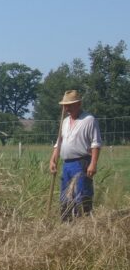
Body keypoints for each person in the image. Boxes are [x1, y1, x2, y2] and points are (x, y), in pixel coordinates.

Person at [48, 90, 102, 221]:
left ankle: (84, 224)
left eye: (70, 105)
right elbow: (59, 143)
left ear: (78, 104)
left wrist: (93, 164)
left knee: (82, 196)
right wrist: (53, 160)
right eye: (65, 105)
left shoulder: (89, 120)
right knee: (66, 197)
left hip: (82, 163)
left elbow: (96, 144)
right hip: (67, 164)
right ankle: (67, 225)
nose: (67, 108)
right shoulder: (65, 121)